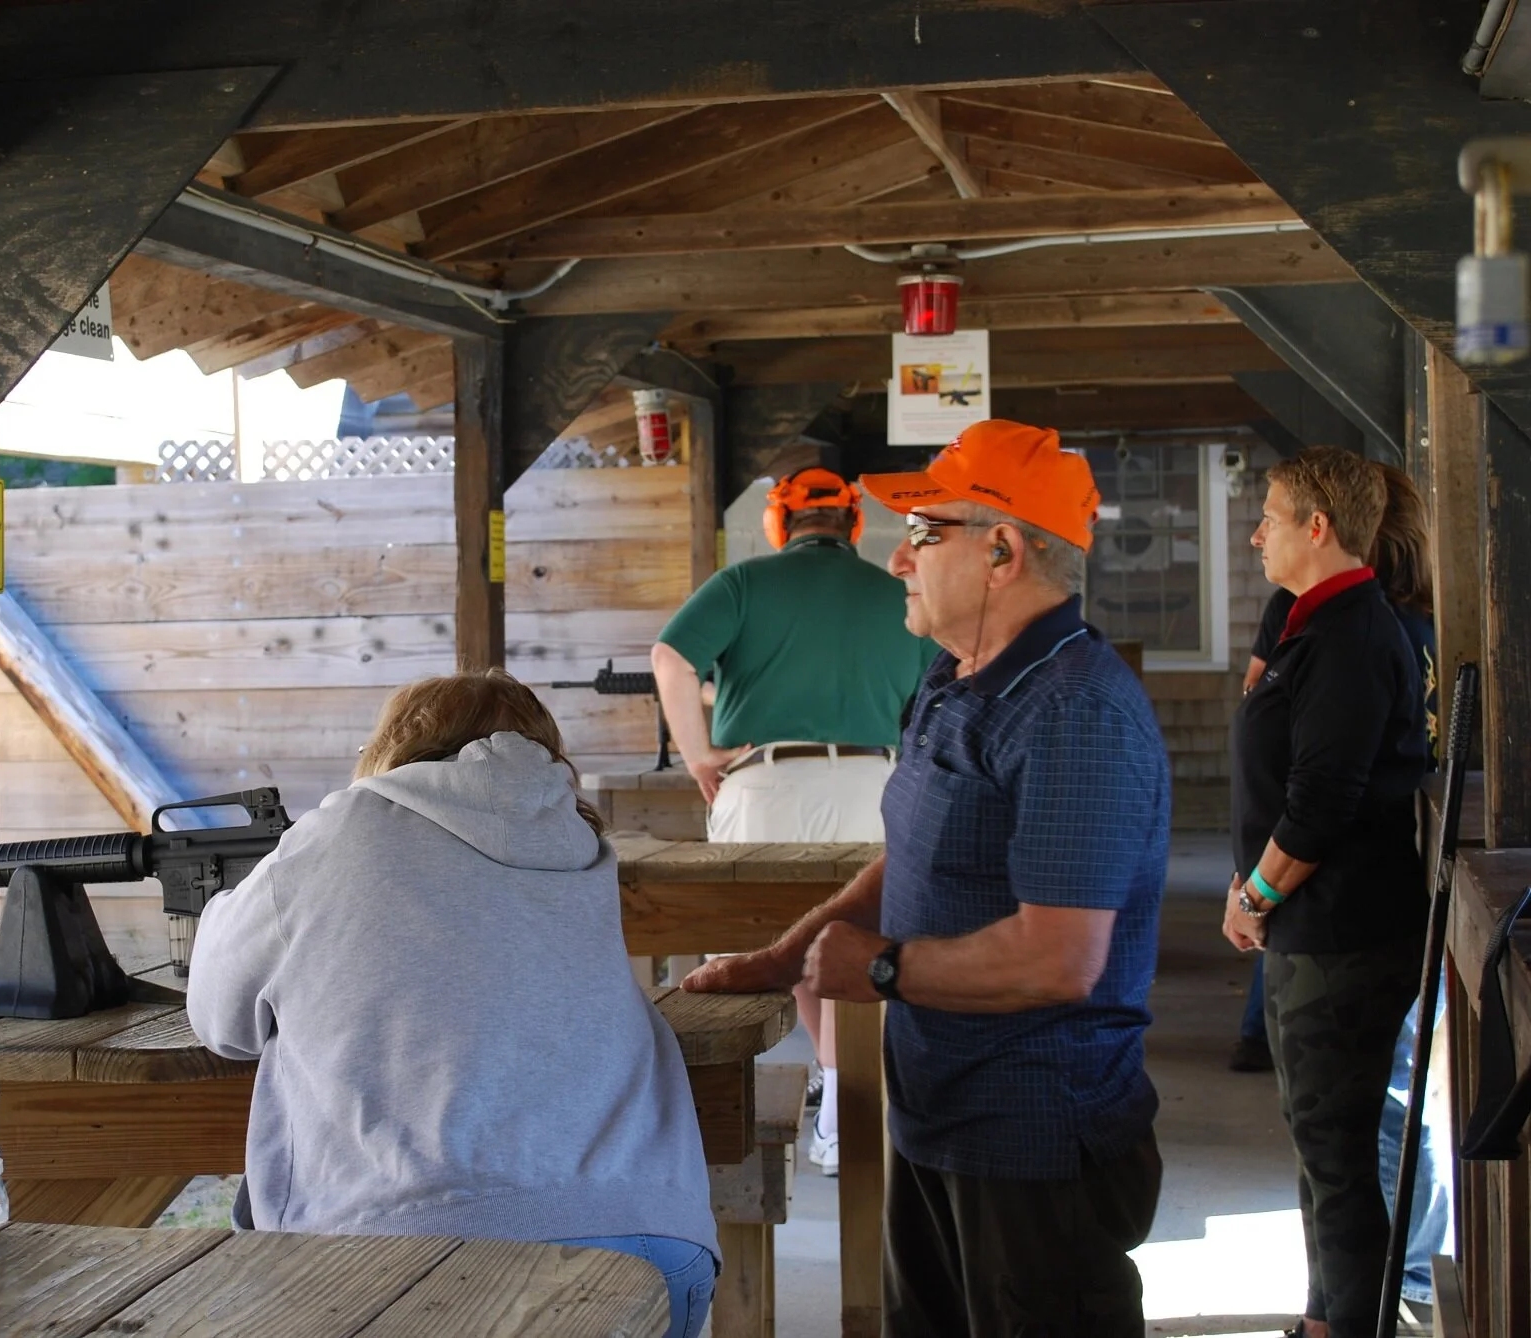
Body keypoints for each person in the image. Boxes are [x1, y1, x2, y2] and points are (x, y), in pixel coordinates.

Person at [686, 419, 1171, 1338]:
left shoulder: (1074, 712)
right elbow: (912, 855)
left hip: (1032, 1142)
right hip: (937, 1115)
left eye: (922, 533)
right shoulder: (957, 678)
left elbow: (1060, 959)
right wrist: (786, 957)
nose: (898, 561)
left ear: (1003, 550)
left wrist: (877, 971)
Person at [185, 670, 719, 1338]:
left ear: (393, 747)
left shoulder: (340, 830)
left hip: (414, 1248)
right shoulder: (581, 847)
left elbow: (218, 1017)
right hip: (658, 1237)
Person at [650, 466, 936, 1175]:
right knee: (853, 942)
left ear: (781, 522)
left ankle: (726, 1130)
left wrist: (698, 756)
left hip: (765, 782)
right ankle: (842, 1105)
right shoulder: (895, 590)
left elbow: (670, 658)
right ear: (853, 525)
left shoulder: (742, 584)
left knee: (765, 950)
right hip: (875, 780)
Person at [1233, 459, 1449, 1319]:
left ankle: (1352, 1320)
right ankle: (1326, 1315)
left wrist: (1252, 896)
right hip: (1313, 931)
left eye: (1270, 517)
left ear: (1317, 526)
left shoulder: (1353, 633)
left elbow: (1323, 799)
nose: (1258, 533)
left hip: (1343, 932)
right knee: (1322, 1150)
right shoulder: (1316, 623)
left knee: (1343, 1158)